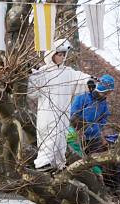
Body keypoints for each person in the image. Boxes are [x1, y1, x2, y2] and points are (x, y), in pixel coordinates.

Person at [27, 39, 93, 170]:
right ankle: (42, 164)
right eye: (59, 54)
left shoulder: (67, 72)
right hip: (47, 112)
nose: (62, 57)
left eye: (63, 55)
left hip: (63, 113)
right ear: (51, 54)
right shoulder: (43, 72)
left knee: (61, 139)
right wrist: (29, 74)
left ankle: (58, 165)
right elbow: (31, 90)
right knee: (49, 137)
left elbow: (79, 78)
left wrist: (89, 81)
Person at [69, 74, 115, 153]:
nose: (107, 94)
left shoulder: (104, 105)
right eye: (106, 92)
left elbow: (102, 122)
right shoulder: (83, 97)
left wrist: (101, 137)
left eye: (108, 92)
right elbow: (73, 115)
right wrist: (81, 129)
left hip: (94, 137)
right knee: (78, 156)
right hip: (77, 134)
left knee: (98, 159)